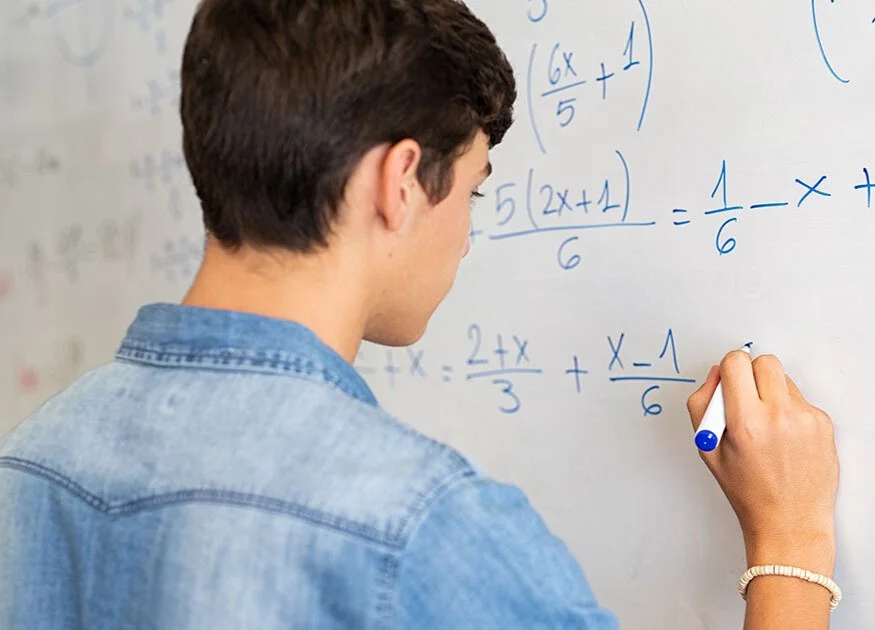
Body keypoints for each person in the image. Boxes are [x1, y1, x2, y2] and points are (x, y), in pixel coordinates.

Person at [0, 0, 840, 628]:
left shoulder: (29, 463)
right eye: (473, 191)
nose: (466, 238)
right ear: (398, 182)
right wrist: (790, 543)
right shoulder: (417, 524)